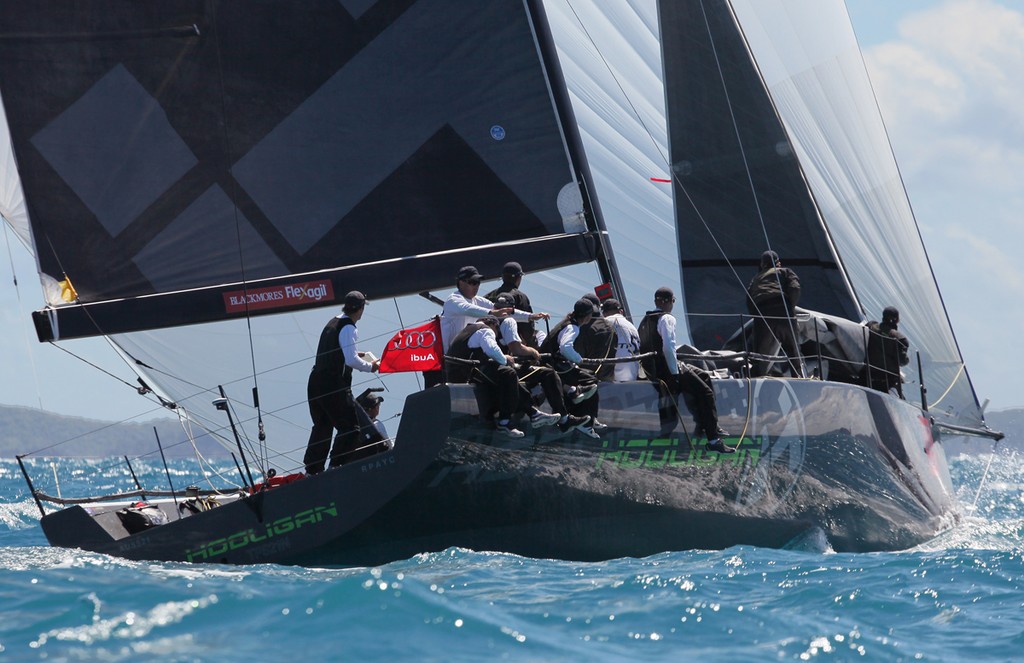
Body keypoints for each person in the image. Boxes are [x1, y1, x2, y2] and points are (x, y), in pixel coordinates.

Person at [638, 287, 732, 453]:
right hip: (667, 370)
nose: (673, 305)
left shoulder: (645, 320)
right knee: (706, 393)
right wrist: (675, 375)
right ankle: (713, 439)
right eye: (673, 301)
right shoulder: (667, 318)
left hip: (654, 370)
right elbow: (668, 348)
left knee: (703, 375)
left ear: (655, 301)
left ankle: (703, 426)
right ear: (667, 302)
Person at [304, 291, 381, 474]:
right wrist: (372, 366)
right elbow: (351, 361)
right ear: (360, 309)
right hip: (333, 384)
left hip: (315, 381)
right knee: (351, 427)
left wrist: (355, 352)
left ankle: (312, 470)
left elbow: (337, 349)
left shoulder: (333, 321)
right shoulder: (349, 327)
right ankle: (336, 467)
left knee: (322, 426)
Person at [446, 316, 561, 438]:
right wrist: (505, 359)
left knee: (507, 377)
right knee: (509, 373)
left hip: (456, 373)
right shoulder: (485, 329)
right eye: (497, 331)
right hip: (469, 372)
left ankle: (533, 413)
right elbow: (492, 349)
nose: (496, 335)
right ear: (494, 325)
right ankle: (505, 422)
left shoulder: (467, 330)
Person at [492, 293, 591, 433]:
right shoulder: (508, 321)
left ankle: (555, 412)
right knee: (549, 373)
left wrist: (531, 316)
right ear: (512, 309)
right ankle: (563, 417)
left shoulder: (487, 317)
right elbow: (516, 348)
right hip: (502, 368)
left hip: (494, 367)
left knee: (545, 372)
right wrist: (532, 352)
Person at [539, 299, 603, 438]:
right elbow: (565, 347)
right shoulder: (572, 327)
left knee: (587, 377)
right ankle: (586, 421)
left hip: (550, 364)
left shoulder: (566, 322)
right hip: (553, 366)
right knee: (591, 379)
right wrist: (578, 359)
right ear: (587, 316)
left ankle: (579, 402)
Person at [746, 250, 804, 378]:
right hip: (783, 312)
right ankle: (798, 377)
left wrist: (758, 317)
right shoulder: (785, 271)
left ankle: (758, 381)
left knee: (760, 357)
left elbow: (749, 300)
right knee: (793, 351)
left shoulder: (756, 278)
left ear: (762, 265)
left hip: (762, 316)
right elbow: (795, 288)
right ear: (778, 263)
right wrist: (790, 308)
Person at [485, 261, 541, 348]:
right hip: (512, 347)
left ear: (503, 277)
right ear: (519, 278)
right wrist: (533, 347)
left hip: (489, 343)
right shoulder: (520, 297)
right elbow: (527, 328)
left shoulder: (489, 295)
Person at [865, 306, 910, 398]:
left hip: (867, 375)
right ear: (896, 320)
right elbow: (902, 362)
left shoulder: (871, 326)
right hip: (887, 382)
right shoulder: (900, 338)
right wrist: (908, 359)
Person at [576, 292, 616, 381]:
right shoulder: (610, 326)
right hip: (609, 381)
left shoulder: (583, 327)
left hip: (588, 381)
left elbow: (577, 355)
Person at [601, 298, 641, 382]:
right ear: (621, 311)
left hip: (614, 380)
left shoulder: (606, 321)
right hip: (633, 377)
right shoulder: (632, 327)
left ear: (604, 313)